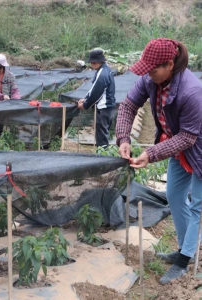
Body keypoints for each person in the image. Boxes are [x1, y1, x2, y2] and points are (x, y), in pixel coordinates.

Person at [115, 38, 202, 284]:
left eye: (153, 70)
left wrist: (151, 153)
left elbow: (188, 136)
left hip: (197, 146)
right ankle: (187, 248)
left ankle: (185, 260)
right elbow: (128, 106)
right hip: (179, 145)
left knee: (197, 204)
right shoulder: (151, 80)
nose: (148, 74)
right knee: (174, 196)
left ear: (170, 64)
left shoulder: (191, 90)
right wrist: (124, 138)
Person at [77, 49, 116, 148]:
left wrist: (85, 105)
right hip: (108, 107)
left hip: (105, 108)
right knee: (102, 132)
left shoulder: (102, 74)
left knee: (101, 135)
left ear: (94, 62)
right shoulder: (104, 70)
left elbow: (97, 93)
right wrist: (86, 98)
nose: (91, 65)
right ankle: (103, 154)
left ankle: (102, 156)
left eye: (91, 63)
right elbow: (94, 88)